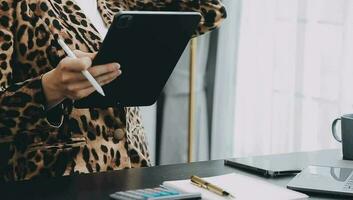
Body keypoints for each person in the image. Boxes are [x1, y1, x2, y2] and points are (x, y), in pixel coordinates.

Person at [0, 0, 227, 181]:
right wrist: (49, 88)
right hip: (58, 178)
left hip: (134, 171)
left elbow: (208, 11)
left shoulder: (117, 2)